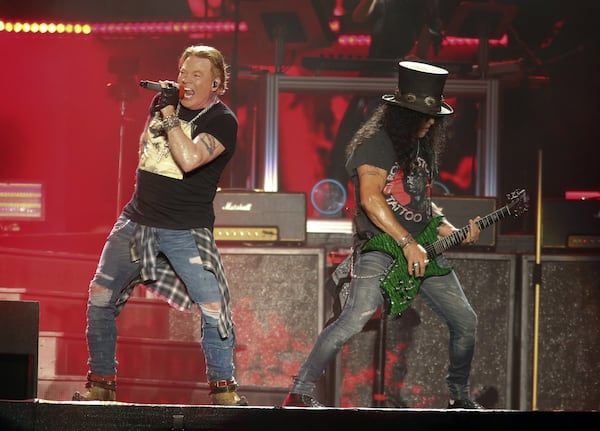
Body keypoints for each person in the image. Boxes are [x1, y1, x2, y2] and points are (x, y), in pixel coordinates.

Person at [282, 60, 483, 409]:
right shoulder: (376, 143)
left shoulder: (420, 147)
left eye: (434, 117)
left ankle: (460, 398)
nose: (430, 122)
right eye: (424, 116)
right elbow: (372, 199)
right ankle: (299, 392)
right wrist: (407, 243)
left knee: (466, 321)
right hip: (383, 247)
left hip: (424, 252)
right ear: (403, 114)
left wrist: (443, 224)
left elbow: (420, 202)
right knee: (354, 319)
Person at [71, 44, 247, 406]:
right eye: (183, 72)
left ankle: (223, 391)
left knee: (214, 308)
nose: (186, 80)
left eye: (196, 75)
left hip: (186, 229)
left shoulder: (222, 121)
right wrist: (167, 110)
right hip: (137, 221)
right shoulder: (164, 106)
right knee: (100, 298)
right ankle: (101, 382)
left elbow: (189, 159)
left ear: (216, 83)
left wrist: (169, 114)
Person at [327, 0, 444, 188]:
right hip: (374, 71)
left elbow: (427, 38)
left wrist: (415, 62)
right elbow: (358, 17)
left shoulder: (421, 5)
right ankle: (336, 190)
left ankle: (412, 190)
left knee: (400, 139)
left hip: (399, 75)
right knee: (349, 135)